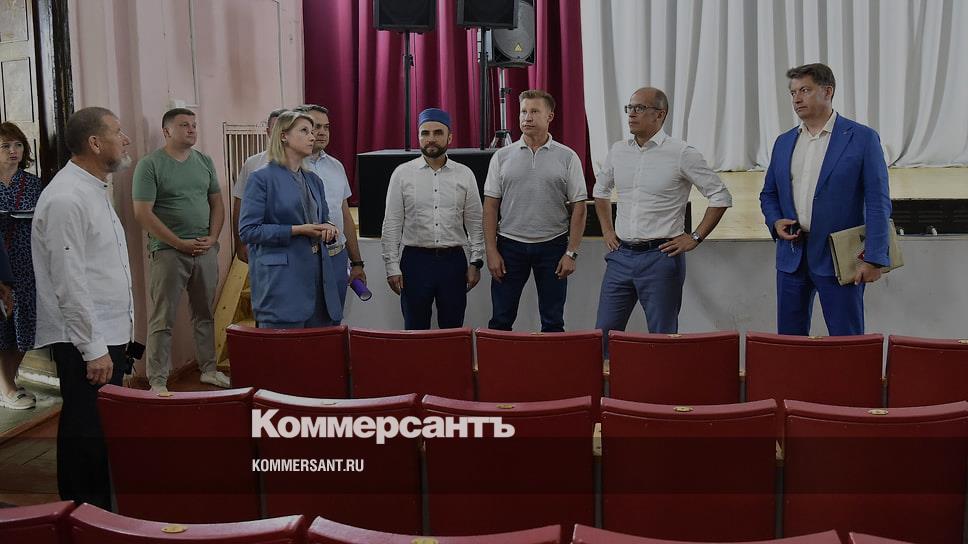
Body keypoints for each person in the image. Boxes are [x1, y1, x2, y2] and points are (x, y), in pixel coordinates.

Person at [32, 106, 134, 509]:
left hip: (105, 332)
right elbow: (69, 281)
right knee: (85, 431)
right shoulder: (66, 197)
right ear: (95, 143)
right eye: (117, 132)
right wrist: (93, 348)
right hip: (86, 340)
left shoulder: (91, 188)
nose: (125, 140)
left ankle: (98, 507)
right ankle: (81, 513)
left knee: (99, 429)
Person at [760, 63, 892, 336]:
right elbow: (769, 193)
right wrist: (774, 221)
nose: (797, 99)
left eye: (805, 90)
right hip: (792, 256)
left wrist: (875, 258)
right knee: (789, 342)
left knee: (846, 340)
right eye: (793, 92)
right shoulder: (783, 142)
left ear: (827, 91)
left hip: (841, 257)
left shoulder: (862, 138)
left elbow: (878, 202)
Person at [593, 87, 731, 345]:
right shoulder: (618, 151)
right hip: (621, 256)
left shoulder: (681, 153)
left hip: (660, 257)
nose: (631, 114)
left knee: (662, 337)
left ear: (660, 114)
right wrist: (608, 230)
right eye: (630, 108)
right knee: (603, 334)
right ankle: (607, 374)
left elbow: (720, 196)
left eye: (640, 108)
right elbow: (600, 191)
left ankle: (662, 374)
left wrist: (695, 237)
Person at [132, 108, 229, 394]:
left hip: (204, 250)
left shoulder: (204, 161)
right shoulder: (150, 165)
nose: (192, 129)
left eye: (194, 125)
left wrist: (213, 238)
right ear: (166, 131)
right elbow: (142, 213)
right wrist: (178, 242)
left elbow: (217, 203)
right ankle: (157, 380)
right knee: (163, 317)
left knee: (204, 313)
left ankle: (208, 370)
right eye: (184, 125)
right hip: (168, 252)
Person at [483, 90, 587, 332]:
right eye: (523, 111)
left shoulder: (567, 157)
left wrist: (571, 253)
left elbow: (579, 208)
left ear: (550, 116)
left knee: (553, 321)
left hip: (553, 246)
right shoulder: (501, 156)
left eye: (534, 111)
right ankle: (498, 358)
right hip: (509, 246)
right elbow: (490, 206)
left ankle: (550, 359)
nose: (527, 117)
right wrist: (491, 250)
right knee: (500, 319)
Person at [381, 107, 484, 329]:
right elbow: (392, 224)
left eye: (438, 133)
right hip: (415, 263)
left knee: (453, 329)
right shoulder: (402, 174)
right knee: (415, 330)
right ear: (418, 137)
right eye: (425, 133)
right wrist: (392, 266)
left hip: (453, 263)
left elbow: (475, 222)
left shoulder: (464, 174)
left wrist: (476, 262)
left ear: (450, 137)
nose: (431, 139)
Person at [239, 110, 343, 328]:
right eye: (304, 131)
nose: (312, 136)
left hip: (318, 278)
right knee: (283, 348)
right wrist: (297, 230)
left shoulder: (313, 180)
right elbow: (248, 231)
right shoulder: (261, 178)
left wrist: (329, 229)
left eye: (312, 131)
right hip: (281, 282)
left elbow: (324, 219)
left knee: (319, 346)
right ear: (283, 136)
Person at [295, 104, 366, 310]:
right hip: (302, 258)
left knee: (334, 318)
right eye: (316, 126)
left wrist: (357, 262)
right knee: (303, 321)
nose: (322, 132)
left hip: (336, 257)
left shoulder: (336, 166)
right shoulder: (287, 168)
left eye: (326, 127)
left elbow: (344, 216)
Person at [0, 122, 44, 409]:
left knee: (25, 324)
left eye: (18, 145)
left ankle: (8, 382)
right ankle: (6, 388)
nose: (13, 151)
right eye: (5, 146)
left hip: (27, 264)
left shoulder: (34, 184)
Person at [232, 108, 286, 263]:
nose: (281, 133)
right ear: (268, 131)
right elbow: (240, 205)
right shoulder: (253, 163)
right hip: (262, 243)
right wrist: (239, 243)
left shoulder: (304, 164)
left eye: (285, 128)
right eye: (276, 128)